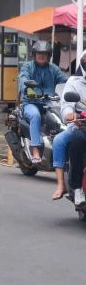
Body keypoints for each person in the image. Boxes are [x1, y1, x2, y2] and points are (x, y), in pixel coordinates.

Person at [18, 41, 68, 163]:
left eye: (44, 53)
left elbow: (65, 80)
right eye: (39, 53)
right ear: (34, 54)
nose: (41, 56)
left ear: (49, 55)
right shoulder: (28, 66)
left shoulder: (53, 69)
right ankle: (35, 149)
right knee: (35, 115)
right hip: (31, 103)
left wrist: (76, 82)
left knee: (61, 116)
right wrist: (28, 89)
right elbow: (23, 78)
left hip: (48, 103)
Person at [51, 52, 86, 204]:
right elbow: (66, 105)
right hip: (80, 125)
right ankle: (73, 186)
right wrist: (70, 115)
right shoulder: (74, 81)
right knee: (65, 140)